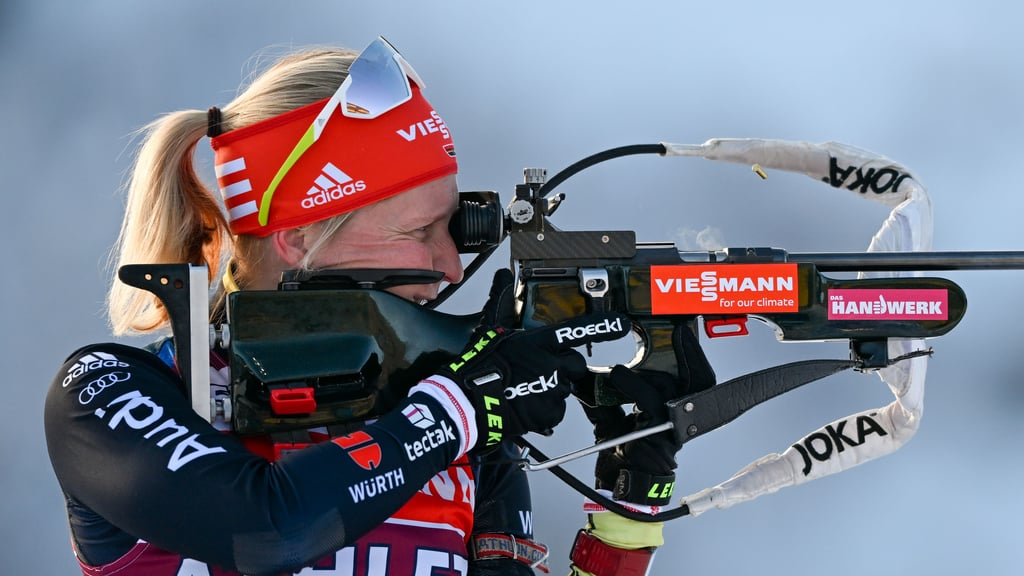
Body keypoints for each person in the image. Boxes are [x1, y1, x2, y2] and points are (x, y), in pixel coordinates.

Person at [44, 36, 714, 576]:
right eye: (419, 232)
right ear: (300, 235)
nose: (451, 265)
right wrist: (458, 411)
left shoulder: (450, 425)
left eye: (451, 231)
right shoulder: (116, 390)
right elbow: (267, 530)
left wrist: (633, 497)